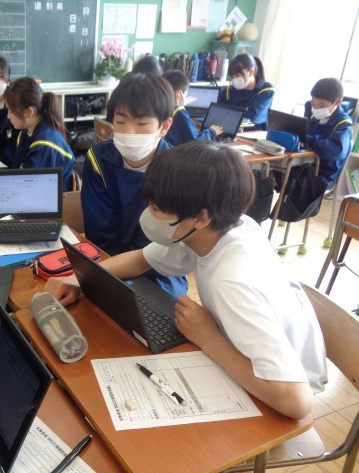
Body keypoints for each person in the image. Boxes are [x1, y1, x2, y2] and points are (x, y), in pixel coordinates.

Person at [47, 141, 327, 421]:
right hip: (251, 354)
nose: (148, 215)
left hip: (278, 391)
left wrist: (207, 337)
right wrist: (78, 278)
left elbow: (296, 402)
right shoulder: (217, 228)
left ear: (200, 217)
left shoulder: (230, 280)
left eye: (156, 208)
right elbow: (141, 259)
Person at [81, 72, 187, 298]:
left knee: (162, 311)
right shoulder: (98, 160)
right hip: (107, 262)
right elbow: (99, 233)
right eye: (120, 122)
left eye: (141, 123)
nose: (129, 132)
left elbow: (166, 245)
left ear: (164, 126)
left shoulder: (177, 171)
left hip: (159, 270)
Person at [4, 77, 75, 190]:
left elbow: (32, 190)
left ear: (29, 112)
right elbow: (18, 173)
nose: (8, 116)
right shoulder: (26, 134)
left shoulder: (44, 146)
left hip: (53, 200)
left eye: (11, 111)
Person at [306, 77, 353, 188]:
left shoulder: (344, 123)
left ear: (338, 102)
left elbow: (336, 151)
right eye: (313, 105)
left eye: (321, 106)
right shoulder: (314, 116)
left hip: (323, 174)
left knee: (291, 180)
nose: (316, 109)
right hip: (306, 165)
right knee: (270, 171)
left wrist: (310, 139)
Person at [162, 69, 223, 146]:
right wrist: (212, 132)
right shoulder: (178, 112)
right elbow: (195, 142)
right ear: (178, 94)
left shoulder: (160, 106)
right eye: (185, 94)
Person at [217, 53, 274, 130]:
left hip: (252, 133)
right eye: (232, 76)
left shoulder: (266, 91)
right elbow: (218, 113)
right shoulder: (229, 90)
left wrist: (229, 116)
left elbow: (252, 118)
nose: (234, 79)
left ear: (251, 72)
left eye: (238, 75)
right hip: (228, 130)